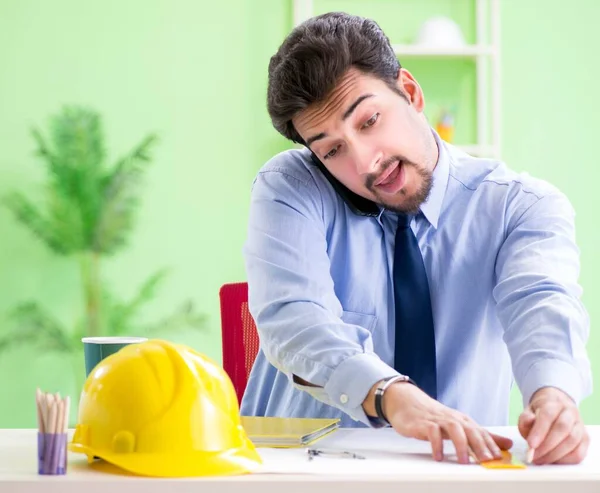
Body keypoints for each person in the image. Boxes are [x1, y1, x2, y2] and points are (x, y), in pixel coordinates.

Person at [240, 12, 592, 465]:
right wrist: (390, 394)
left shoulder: (519, 206)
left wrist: (553, 396)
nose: (366, 161)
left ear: (410, 91)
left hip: (454, 470)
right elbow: (297, 320)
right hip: (299, 472)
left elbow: (542, 303)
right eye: (331, 149)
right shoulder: (292, 186)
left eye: (368, 121)